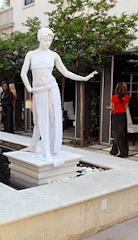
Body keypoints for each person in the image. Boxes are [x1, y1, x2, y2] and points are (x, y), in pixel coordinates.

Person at [20, 27, 98, 165]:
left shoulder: (54, 55)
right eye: (46, 39)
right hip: (37, 91)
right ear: (40, 38)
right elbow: (23, 73)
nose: (48, 42)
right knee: (37, 119)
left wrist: (84, 78)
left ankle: (51, 148)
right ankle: (33, 146)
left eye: (50, 40)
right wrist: (29, 88)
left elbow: (66, 72)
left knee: (52, 118)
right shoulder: (31, 54)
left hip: (50, 88)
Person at [110, 81, 130, 158]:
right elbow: (125, 108)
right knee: (122, 134)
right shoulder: (127, 97)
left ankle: (120, 151)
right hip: (123, 116)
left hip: (116, 116)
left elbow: (112, 108)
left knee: (116, 134)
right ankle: (116, 150)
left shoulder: (114, 97)